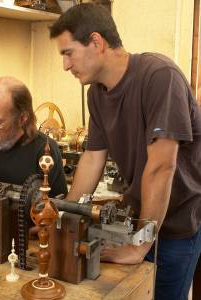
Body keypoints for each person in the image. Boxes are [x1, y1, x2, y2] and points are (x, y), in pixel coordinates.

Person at [50, 3, 201, 300]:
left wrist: (140, 246)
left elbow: (162, 168)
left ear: (96, 42)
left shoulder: (159, 76)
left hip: (177, 225)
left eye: (68, 53)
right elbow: (93, 157)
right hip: (139, 221)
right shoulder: (97, 93)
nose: (65, 65)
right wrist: (63, 218)